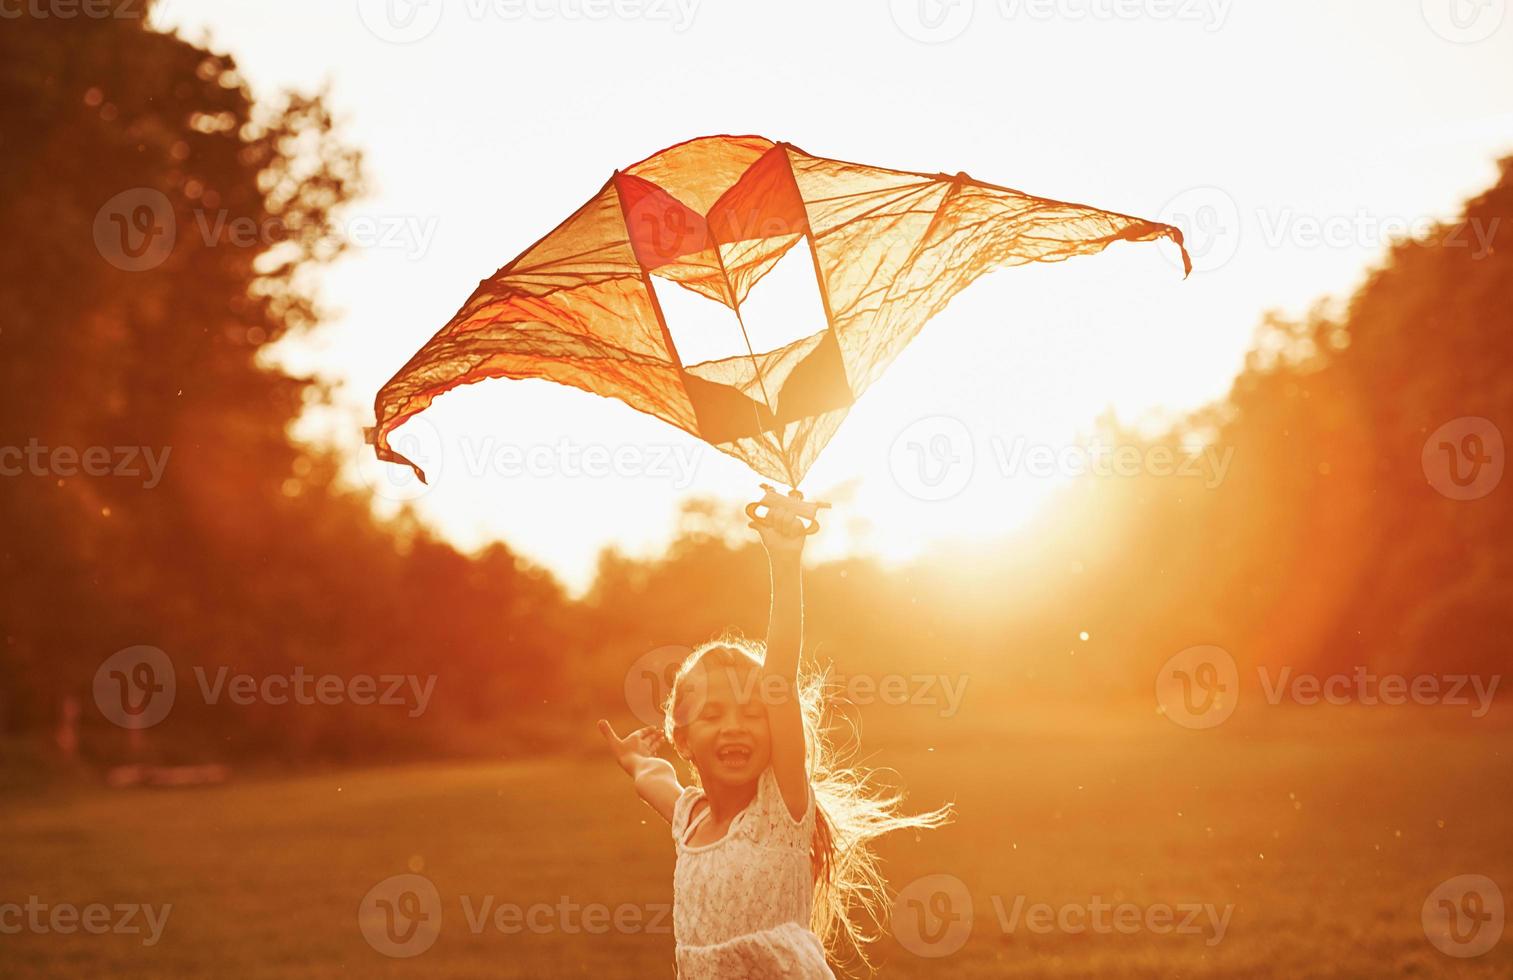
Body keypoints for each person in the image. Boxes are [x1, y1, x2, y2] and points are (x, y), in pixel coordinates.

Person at [598, 498, 952, 978]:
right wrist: (634, 759)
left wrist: (784, 562)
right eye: (713, 714)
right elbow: (652, 777)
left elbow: (779, 680)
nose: (734, 726)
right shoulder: (690, 817)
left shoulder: (780, 809)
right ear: (683, 740)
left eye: (752, 714)